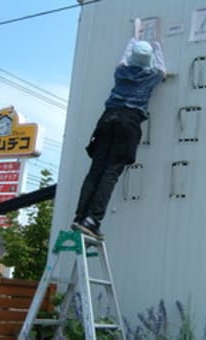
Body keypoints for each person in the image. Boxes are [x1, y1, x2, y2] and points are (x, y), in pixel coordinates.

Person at [70, 32, 167, 240]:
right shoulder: (152, 76)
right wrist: (157, 45)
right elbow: (162, 69)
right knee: (111, 173)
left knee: (95, 171)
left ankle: (80, 217)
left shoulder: (120, 71)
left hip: (106, 120)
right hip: (128, 123)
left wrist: (133, 38)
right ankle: (92, 220)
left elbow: (124, 57)